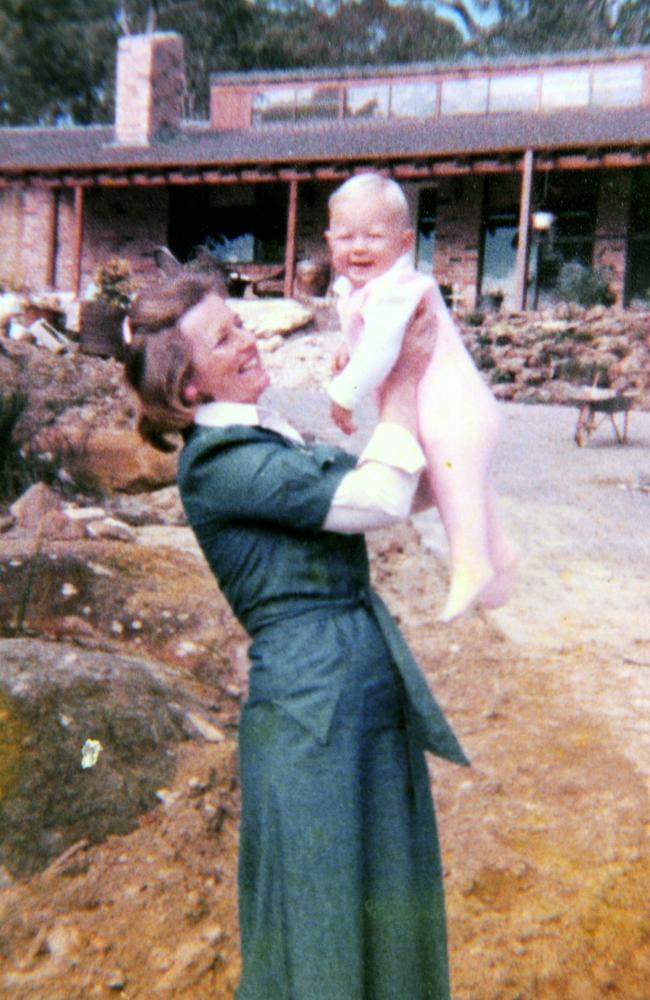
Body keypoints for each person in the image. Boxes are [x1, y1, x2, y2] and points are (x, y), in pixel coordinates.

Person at [122, 272, 469, 1000]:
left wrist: (396, 382)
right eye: (225, 338)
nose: (249, 340)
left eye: (241, 324)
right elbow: (375, 499)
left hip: (352, 691)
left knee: (383, 894)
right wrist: (398, 381)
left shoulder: (266, 436)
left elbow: (403, 489)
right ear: (188, 388)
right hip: (311, 711)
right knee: (321, 916)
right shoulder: (221, 464)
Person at [326, 172, 516, 623]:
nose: (359, 248)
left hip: (453, 417)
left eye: (374, 237)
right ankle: (502, 556)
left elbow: (382, 348)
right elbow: (364, 335)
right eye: (347, 236)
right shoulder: (360, 290)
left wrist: (345, 392)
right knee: (468, 490)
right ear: (329, 239)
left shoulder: (399, 289)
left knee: (455, 492)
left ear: (405, 241)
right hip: (455, 412)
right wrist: (344, 346)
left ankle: (471, 565)